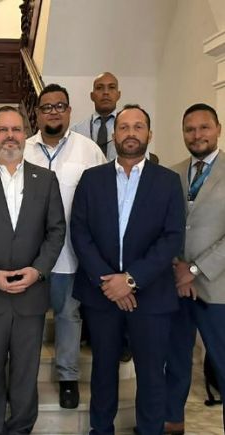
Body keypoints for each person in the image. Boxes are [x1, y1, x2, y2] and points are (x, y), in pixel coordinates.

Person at [70, 104, 185, 435]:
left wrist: (131, 280)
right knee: (103, 370)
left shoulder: (168, 181)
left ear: (149, 134)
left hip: (151, 294)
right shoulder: (91, 179)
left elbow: (172, 237)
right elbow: (80, 232)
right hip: (101, 294)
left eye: (138, 127)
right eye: (124, 127)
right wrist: (109, 282)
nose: (131, 133)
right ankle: (100, 429)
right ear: (114, 135)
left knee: (150, 374)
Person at [0, 106, 66, 434]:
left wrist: (38, 271)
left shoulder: (46, 179)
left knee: (25, 371)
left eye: (16, 129)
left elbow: (56, 231)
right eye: (2, 130)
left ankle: (20, 428)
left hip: (31, 293)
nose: (10, 136)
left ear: (25, 135)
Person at [24, 83, 106, 409]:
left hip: (70, 255)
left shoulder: (89, 151)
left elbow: (102, 200)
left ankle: (68, 377)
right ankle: (23, 377)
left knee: (68, 314)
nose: (53, 112)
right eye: (47, 107)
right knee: (28, 317)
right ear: (37, 113)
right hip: (29, 255)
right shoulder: (23, 150)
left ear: (70, 111)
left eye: (60, 106)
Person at [164, 103, 225, 434]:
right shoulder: (171, 174)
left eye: (204, 127)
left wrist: (196, 270)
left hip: (218, 289)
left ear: (218, 129)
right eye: (189, 129)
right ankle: (173, 423)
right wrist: (178, 267)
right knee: (175, 361)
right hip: (176, 287)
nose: (196, 134)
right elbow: (164, 226)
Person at [72, 72, 158, 165]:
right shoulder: (77, 130)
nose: (106, 92)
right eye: (99, 88)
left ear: (118, 94)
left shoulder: (132, 128)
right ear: (92, 96)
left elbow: (143, 161)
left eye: (111, 87)